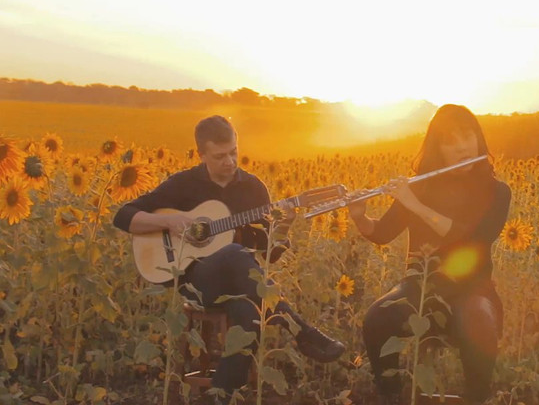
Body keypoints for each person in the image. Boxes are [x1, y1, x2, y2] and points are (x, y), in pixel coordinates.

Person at [113, 115, 344, 400]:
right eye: (220, 156)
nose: (230, 161)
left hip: (242, 287)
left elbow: (269, 255)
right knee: (235, 252)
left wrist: (284, 227)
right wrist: (172, 222)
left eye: (234, 152)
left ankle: (219, 395)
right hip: (195, 282)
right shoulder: (182, 184)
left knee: (249, 313)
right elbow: (123, 216)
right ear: (202, 155)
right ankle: (302, 329)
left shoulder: (253, 188)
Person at [348, 104, 511, 405]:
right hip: (420, 285)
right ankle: (391, 395)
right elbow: (382, 233)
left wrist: (416, 206)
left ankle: (476, 400)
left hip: (472, 288)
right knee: (377, 319)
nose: (461, 146)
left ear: (478, 138)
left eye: (467, 135)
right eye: (450, 140)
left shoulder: (497, 192)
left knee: (479, 322)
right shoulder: (421, 187)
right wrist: (360, 216)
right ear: (438, 149)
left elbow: (474, 240)